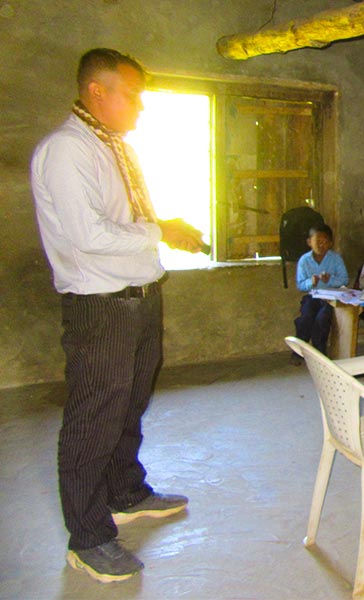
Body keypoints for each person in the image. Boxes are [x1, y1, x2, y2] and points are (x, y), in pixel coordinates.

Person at [30, 48, 207, 582]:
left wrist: (162, 230)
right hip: (102, 307)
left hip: (139, 297)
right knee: (94, 418)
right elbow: (87, 235)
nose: (140, 106)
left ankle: (125, 492)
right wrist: (161, 230)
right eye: (132, 95)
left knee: (129, 403)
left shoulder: (113, 147)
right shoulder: (67, 150)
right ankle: (87, 538)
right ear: (96, 92)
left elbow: (121, 221)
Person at [294, 224, 349, 355]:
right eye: (318, 241)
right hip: (312, 296)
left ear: (330, 243)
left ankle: (320, 353)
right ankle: (298, 352)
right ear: (309, 242)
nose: (321, 245)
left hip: (329, 298)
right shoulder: (304, 260)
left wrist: (330, 280)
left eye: (325, 242)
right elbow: (300, 284)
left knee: (322, 319)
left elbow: (344, 279)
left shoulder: (335, 259)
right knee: (305, 318)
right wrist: (310, 282)